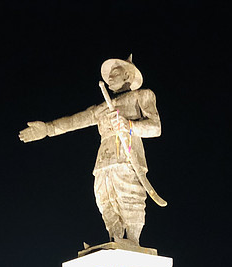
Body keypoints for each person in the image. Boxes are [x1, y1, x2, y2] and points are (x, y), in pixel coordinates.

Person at [19, 55, 165, 246]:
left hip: (127, 153)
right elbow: (75, 121)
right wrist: (48, 129)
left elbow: (156, 127)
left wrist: (129, 125)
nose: (109, 78)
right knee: (105, 198)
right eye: (108, 75)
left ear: (127, 75)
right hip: (104, 159)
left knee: (129, 194)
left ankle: (133, 240)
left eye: (115, 72)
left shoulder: (143, 96)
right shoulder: (102, 107)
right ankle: (115, 238)